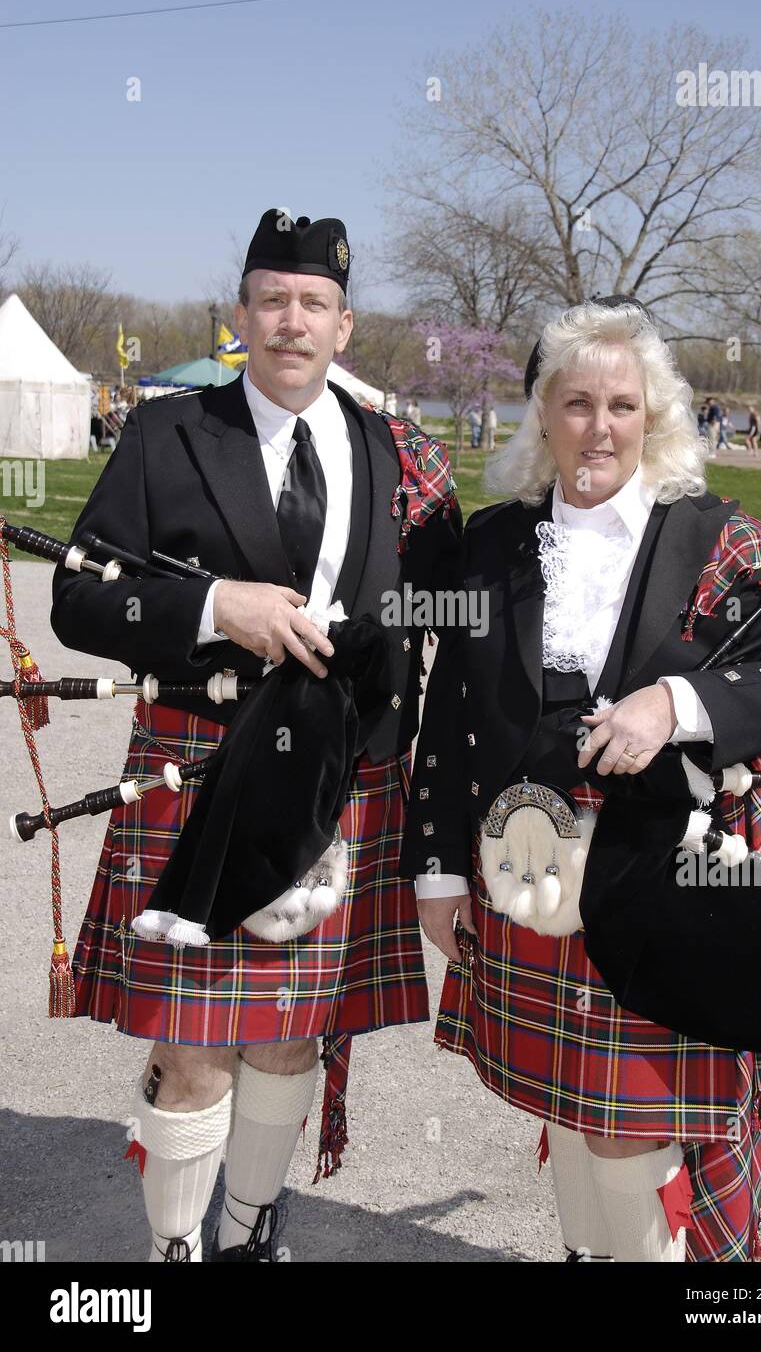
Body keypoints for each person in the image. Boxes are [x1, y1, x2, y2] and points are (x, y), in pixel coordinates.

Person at [50, 209, 460, 1263]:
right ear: (241, 316)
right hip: (201, 767)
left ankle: (246, 1233)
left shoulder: (392, 451)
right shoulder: (166, 433)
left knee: (286, 1039)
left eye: (312, 304)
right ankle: (172, 1248)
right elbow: (79, 602)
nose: (292, 321)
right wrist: (211, 607)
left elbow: (447, 612)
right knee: (194, 1053)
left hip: (339, 779)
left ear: (344, 326)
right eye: (271, 300)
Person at [401, 297, 761, 1263]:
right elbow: (453, 713)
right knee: (580, 1110)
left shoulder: (725, 543)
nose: (600, 427)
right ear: (543, 414)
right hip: (527, 867)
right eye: (577, 402)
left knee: (629, 1120)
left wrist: (672, 703)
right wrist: (435, 864)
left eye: (623, 406)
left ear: (657, 418)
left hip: (663, 874)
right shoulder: (492, 542)